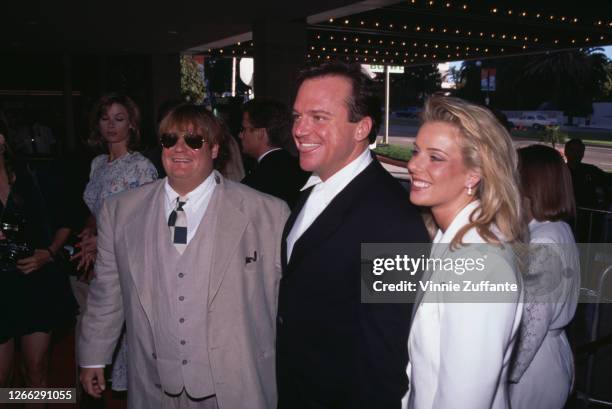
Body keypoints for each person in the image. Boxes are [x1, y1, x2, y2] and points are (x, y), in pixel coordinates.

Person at [78, 104, 289, 409]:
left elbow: (288, 303)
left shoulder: (267, 212)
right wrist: (94, 355)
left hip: (235, 383)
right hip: (155, 382)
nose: (179, 149)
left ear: (215, 149)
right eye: (169, 140)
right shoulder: (121, 211)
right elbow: (106, 293)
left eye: (193, 141)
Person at [276, 61, 430, 409]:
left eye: (318, 117)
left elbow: (387, 360)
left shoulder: (394, 222)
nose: (300, 130)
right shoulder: (310, 189)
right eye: (297, 116)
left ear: (361, 128)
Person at [403, 96, 524, 409]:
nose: (414, 165)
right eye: (417, 151)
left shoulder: (479, 263)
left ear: (474, 175)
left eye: (436, 157)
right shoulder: (447, 240)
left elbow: (464, 400)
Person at [73, 93, 158, 392]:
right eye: (105, 118)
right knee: (92, 332)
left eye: (119, 119)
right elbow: (95, 209)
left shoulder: (141, 167)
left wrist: (102, 241)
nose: (111, 125)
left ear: (132, 125)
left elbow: (146, 224)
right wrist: (90, 232)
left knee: (128, 345)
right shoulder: (98, 163)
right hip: (96, 265)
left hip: (127, 263)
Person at [0, 118, 77, 392]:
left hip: (36, 284)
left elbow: (66, 218)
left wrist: (49, 253)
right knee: (2, 379)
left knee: (36, 370)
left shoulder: (33, 174)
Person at [509, 144, 580, 409]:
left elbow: (532, 326)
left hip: (530, 371)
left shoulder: (544, 242)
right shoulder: (555, 229)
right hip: (545, 358)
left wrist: (505, 376)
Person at [240, 98, 309, 208]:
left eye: (244, 129)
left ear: (260, 133)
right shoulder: (305, 171)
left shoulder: (253, 184)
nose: (241, 135)